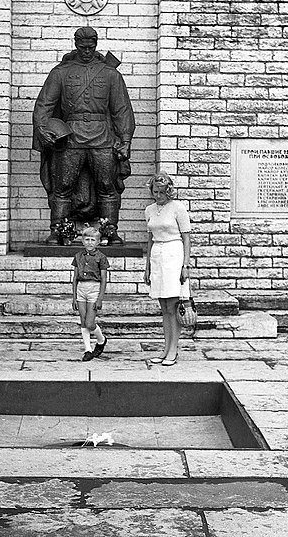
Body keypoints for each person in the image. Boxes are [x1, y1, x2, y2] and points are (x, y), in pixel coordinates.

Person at [33, 26, 135, 245]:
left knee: (107, 188)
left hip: (102, 138)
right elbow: (44, 105)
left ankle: (109, 231)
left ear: (96, 45)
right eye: (83, 47)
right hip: (70, 138)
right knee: (63, 188)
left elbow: (121, 110)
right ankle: (58, 231)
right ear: (76, 45)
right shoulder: (60, 73)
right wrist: (43, 130)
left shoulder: (110, 74)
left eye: (91, 47)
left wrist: (125, 140)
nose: (87, 51)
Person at [143, 172, 192, 366]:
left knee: (173, 305)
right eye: (155, 192)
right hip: (157, 255)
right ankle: (165, 349)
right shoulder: (149, 210)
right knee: (163, 307)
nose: (158, 196)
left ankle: (174, 349)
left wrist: (185, 265)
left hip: (174, 253)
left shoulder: (178, 208)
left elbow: (187, 237)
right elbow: (149, 238)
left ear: (169, 191)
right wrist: (147, 267)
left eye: (162, 192)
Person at [72, 226, 109, 361]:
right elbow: (75, 278)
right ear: (82, 241)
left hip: (94, 288)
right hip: (81, 288)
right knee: (82, 321)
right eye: (86, 239)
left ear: (98, 242)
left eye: (92, 240)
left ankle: (101, 339)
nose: (89, 242)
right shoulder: (78, 256)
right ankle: (88, 349)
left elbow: (104, 278)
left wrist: (100, 298)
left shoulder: (101, 257)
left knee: (89, 322)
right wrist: (74, 297)